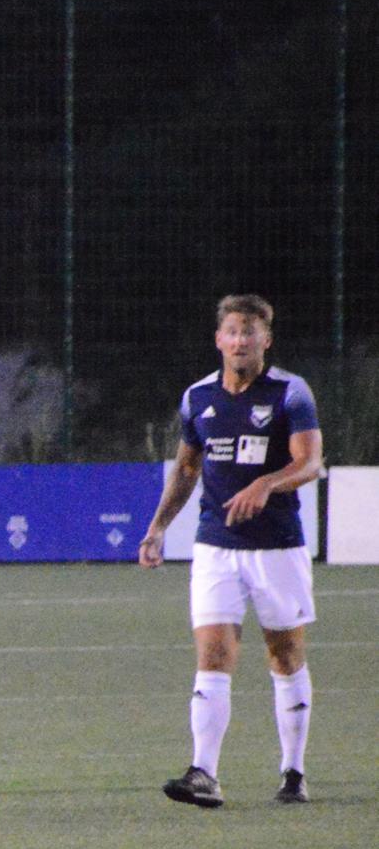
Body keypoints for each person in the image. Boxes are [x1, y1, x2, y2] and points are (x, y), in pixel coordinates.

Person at [138, 293, 323, 808]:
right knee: (213, 654)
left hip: (277, 548)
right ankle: (205, 773)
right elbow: (188, 468)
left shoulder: (290, 393)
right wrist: (157, 527)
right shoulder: (197, 397)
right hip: (216, 547)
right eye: (233, 332)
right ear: (219, 339)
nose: (241, 340)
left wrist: (266, 484)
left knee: (285, 656)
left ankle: (293, 770)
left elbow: (310, 463)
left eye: (250, 332)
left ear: (266, 339)